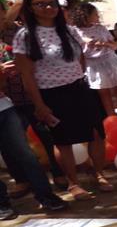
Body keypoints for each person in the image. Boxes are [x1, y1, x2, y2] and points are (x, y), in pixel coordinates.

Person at [12, 0, 111, 200]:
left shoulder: (68, 30)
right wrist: (39, 105)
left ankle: (99, 174)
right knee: (64, 141)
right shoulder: (26, 35)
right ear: (30, 7)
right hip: (51, 93)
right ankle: (73, 183)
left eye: (52, 4)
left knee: (96, 133)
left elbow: (80, 60)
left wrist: (79, 78)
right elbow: (27, 75)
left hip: (79, 88)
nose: (48, 8)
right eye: (41, 4)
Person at [0, 66, 68, 217]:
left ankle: (46, 196)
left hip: (4, 108)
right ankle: (2, 204)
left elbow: (3, 83)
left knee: (26, 155)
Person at [72, 3, 117, 122]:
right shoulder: (75, 31)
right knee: (104, 93)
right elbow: (78, 47)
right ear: (85, 15)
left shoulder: (100, 28)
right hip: (93, 63)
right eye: (95, 14)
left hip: (109, 60)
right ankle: (112, 121)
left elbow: (114, 45)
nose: (97, 16)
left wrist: (103, 43)